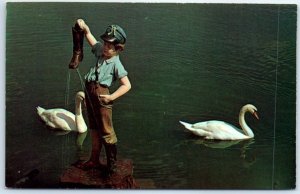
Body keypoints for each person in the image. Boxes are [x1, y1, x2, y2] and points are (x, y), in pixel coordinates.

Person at [69, 19, 131, 176]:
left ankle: (112, 165)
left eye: (109, 46)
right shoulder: (100, 52)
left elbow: (126, 85)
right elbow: (89, 36)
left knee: (106, 130)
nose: (105, 48)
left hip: (102, 97)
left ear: (118, 49)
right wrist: (83, 27)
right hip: (90, 94)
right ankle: (94, 159)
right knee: (94, 129)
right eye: (105, 44)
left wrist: (111, 98)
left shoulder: (116, 63)